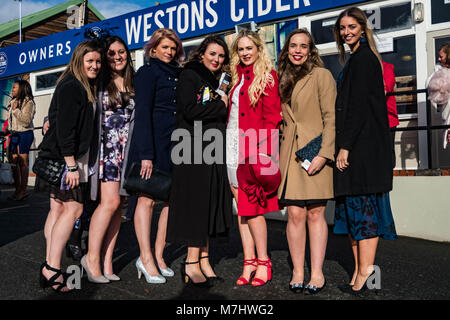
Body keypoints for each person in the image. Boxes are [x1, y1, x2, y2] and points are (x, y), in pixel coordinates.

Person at [332, 7, 397, 294]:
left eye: (351, 26)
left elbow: (357, 108)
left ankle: (366, 272)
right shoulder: (357, 59)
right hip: (359, 147)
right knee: (354, 211)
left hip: (363, 150)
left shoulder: (364, 59)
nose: (346, 32)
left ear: (362, 27)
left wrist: (344, 147)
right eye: (342, 28)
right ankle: (359, 272)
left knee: (365, 211)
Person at [166, 35, 232, 287]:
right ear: (202, 53)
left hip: (211, 148)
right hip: (192, 149)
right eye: (212, 54)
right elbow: (190, 110)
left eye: (221, 56)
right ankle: (191, 262)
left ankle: (204, 258)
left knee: (208, 204)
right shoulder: (189, 74)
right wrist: (221, 105)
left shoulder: (216, 80)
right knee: (196, 206)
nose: (216, 59)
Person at [38, 40, 102, 292]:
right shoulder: (73, 86)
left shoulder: (77, 84)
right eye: (90, 61)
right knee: (74, 210)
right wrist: (71, 165)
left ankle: (49, 264)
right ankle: (52, 268)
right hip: (65, 160)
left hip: (63, 157)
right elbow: (65, 128)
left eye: (98, 61)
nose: (95, 65)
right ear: (78, 61)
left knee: (57, 210)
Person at [277, 29, 336, 294]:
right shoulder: (281, 78)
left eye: (303, 46)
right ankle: (298, 271)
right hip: (289, 154)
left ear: (311, 50)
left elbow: (331, 117)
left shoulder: (321, 75)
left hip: (315, 152)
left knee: (315, 213)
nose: (298, 50)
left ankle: (317, 273)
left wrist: (325, 154)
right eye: (293, 46)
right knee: (295, 214)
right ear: (287, 50)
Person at [126, 28, 184, 284]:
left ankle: (159, 256)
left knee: (172, 201)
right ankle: (145, 258)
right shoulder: (147, 73)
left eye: (173, 48)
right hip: (153, 145)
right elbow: (143, 114)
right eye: (165, 48)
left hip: (176, 144)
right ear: (153, 49)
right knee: (147, 200)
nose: (170, 52)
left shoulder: (180, 74)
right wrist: (146, 154)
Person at [227, 30, 282, 287]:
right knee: (241, 209)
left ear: (259, 49)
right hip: (230, 147)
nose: (245, 53)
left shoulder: (267, 77)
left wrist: (263, 151)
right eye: (241, 49)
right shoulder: (235, 77)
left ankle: (263, 261)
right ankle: (248, 261)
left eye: (250, 48)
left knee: (254, 209)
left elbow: (273, 118)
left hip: (253, 149)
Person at [82, 36, 135, 283]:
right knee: (109, 203)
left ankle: (107, 261)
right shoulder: (99, 82)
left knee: (119, 207)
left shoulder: (134, 82)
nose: (117, 57)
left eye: (121, 52)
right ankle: (91, 258)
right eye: (112, 53)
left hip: (128, 153)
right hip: (107, 151)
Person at [6, 80, 36, 201]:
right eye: (12, 87)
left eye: (14, 88)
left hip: (25, 134)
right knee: (13, 162)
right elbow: (12, 122)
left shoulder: (29, 102)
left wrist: (16, 110)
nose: (12, 90)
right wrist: (7, 131)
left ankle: (23, 191)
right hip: (14, 134)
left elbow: (26, 120)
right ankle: (17, 190)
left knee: (23, 163)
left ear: (22, 89)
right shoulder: (12, 101)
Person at [427, 42, 450, 149]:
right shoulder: (438, 69)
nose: (439, 59)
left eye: (441, 56)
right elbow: (428, 84)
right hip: (448, 112)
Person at [382, 61, 398, 168]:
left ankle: (390, 178)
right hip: (368, 118)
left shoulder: (386, 67)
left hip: (387, 117)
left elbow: (386, 87)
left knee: (387, 149)